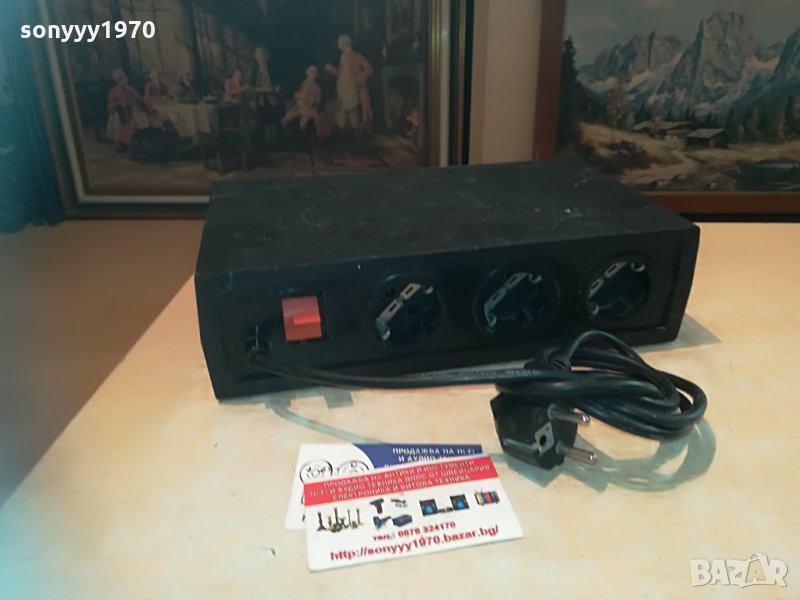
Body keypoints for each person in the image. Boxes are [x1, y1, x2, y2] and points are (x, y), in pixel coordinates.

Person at [325, 34, 373, 132]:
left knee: (353, 115)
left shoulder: (356, 56)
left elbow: (369, 70)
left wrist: (360, 78)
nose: (338, 46)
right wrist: (331, 70)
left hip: (352, 91)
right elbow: (341, 75)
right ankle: (349, 134)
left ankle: (357, 134)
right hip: (343, 92)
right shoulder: (342, 57)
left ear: (344, 44)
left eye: (339, 43)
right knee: (342, 119)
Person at [106, 68, 149, 150]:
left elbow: (139, 99)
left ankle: (129, 142)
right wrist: (120, 103)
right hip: (123, 115)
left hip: (132, 112)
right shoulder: (113, 91)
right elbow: (110, 107)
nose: (126, 78)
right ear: (119, 80)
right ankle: (124, 143)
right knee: (123, 120)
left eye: (125, 76)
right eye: (124, 77)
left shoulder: (129, 88)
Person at [281, 65, 326, 135]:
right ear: (307, 73)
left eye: (313, 73)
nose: (311, 74)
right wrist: (298, 96)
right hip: (299, 107)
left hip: (309, 110)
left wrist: (310, 101)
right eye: (310, 72)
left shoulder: (317, 87)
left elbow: (318, 101)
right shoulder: (303, 84)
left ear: (316, 75)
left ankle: (303, 137)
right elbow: (297, 94)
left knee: (303, 124)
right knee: (284, 121)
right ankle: (291, 135)